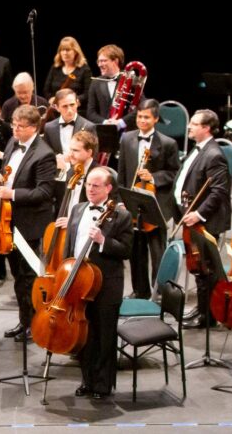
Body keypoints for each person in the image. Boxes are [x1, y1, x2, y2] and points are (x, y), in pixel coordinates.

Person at [57, 167, 132, 400]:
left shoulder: (122, 215)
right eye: (88, 184)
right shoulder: (78, 209)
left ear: (108, 189)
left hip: (106, 283)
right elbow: (70, 246)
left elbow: (126, 250)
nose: (90, 189)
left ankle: (102, 385)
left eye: (96, 186)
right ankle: (87, 380)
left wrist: (103, 240)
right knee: (84, 335)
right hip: (78, 282)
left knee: (104, 335)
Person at [0, 105, 57, 342]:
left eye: (20, 127)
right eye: (14, 125)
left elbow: (44, 192)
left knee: (29, 276)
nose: (15, 129)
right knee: (17, 275)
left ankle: (33, 323)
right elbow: (6, 170)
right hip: (9, 222)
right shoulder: (12, 143)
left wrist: (13, 194)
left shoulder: (44, 154)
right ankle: (23, 320)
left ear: (33, 128)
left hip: (30, 223)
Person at [117, 99, 181, 299]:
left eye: (146, 117)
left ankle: (160, 291)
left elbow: (173, 173)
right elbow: (123, 173)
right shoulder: (127, 139)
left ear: (155, 119)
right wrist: (121, 199)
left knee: (157, 250)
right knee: (136, 250)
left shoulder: (168, 143)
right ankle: (140, 290)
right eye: (139, 117)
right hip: (134, 201)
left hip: (156, 203)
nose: (142, 120)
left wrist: (153, 177)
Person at [173, 109, 231, 329]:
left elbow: (219, 192)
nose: (189, 126)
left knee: (206, 270)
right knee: (198, 269)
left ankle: (208, 316)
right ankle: (201, 308)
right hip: (191, 220)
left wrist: (199, 213)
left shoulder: (214, 154)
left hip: (204, 222)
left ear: (206, 128)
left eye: (195, 124)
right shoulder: (199, 150)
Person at [85, 45, 144, 129]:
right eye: (99, 61)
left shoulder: (131, 80)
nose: (99, 65)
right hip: (105, 132)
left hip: (128, 131)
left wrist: (121, 122)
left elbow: (141, 107)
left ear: (115, 61)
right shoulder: (96, 82)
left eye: (103, 61)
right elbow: (90, 113)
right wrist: (105, 122)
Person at [42, 88, 96, 173]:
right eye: (65, 106)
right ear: (56, 107)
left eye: (72, 105)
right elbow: (46, 154)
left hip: (80, 172)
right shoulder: (49, 127)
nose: (70, 110)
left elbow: (93, 156)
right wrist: (58, 159)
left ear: (77, 103)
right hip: (57, 171)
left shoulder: (89, 126)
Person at [42, 36, 94, 108]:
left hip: (76, 110)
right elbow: (46, 90)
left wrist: (73, 100)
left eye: (68, 50)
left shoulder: (85, 69)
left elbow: (87, 93)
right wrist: (51, 99)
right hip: (56, 109)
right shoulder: (55, 67)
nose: (65, 53)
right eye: (62, 50)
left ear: (75, 52)